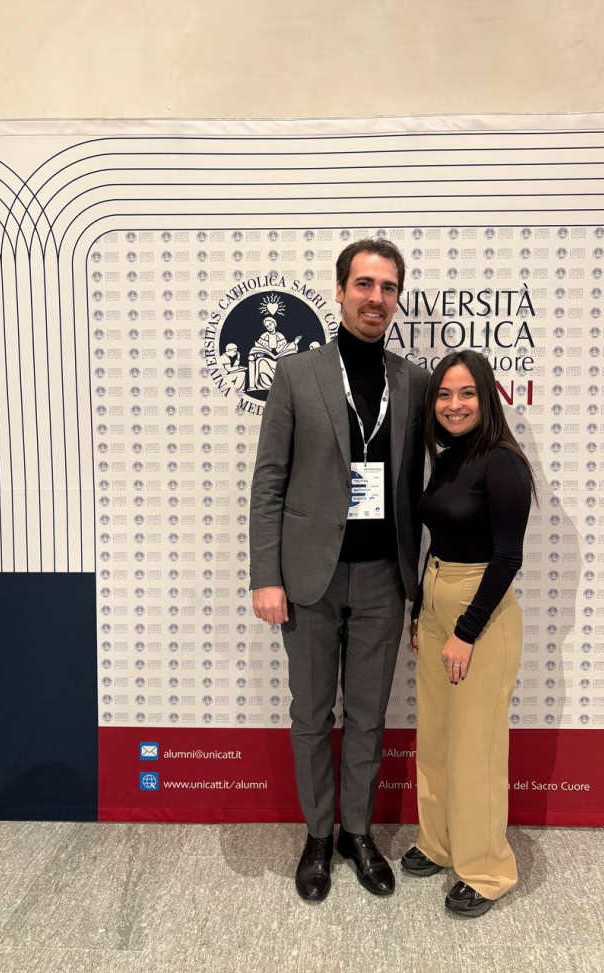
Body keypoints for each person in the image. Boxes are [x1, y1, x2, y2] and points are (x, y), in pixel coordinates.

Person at [249, 239, 429, 902]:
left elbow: (424, 481)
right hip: (309, 577)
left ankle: (358, 832)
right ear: (341, 290)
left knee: (368, 715)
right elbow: (270, 481)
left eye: (388, 287)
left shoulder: (414, 382)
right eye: (364, 284)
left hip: (384, 576)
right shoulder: (298, 374)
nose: (376, 297)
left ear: (396, 298)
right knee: (310, 713)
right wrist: (265, 575)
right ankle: (318, 835)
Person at [401, 349, 534, 918]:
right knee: (436, 737)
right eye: (444, 394)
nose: (454, 405)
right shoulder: (450, 456)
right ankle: (440, 843)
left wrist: (466, 631)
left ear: (487, 397)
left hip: (480, 610)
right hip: (437, 600)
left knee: (475, 748)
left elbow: (507, 558)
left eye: (467, 393)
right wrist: (420, 612)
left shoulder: (502, 463)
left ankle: (487, 870)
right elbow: (439, 537)